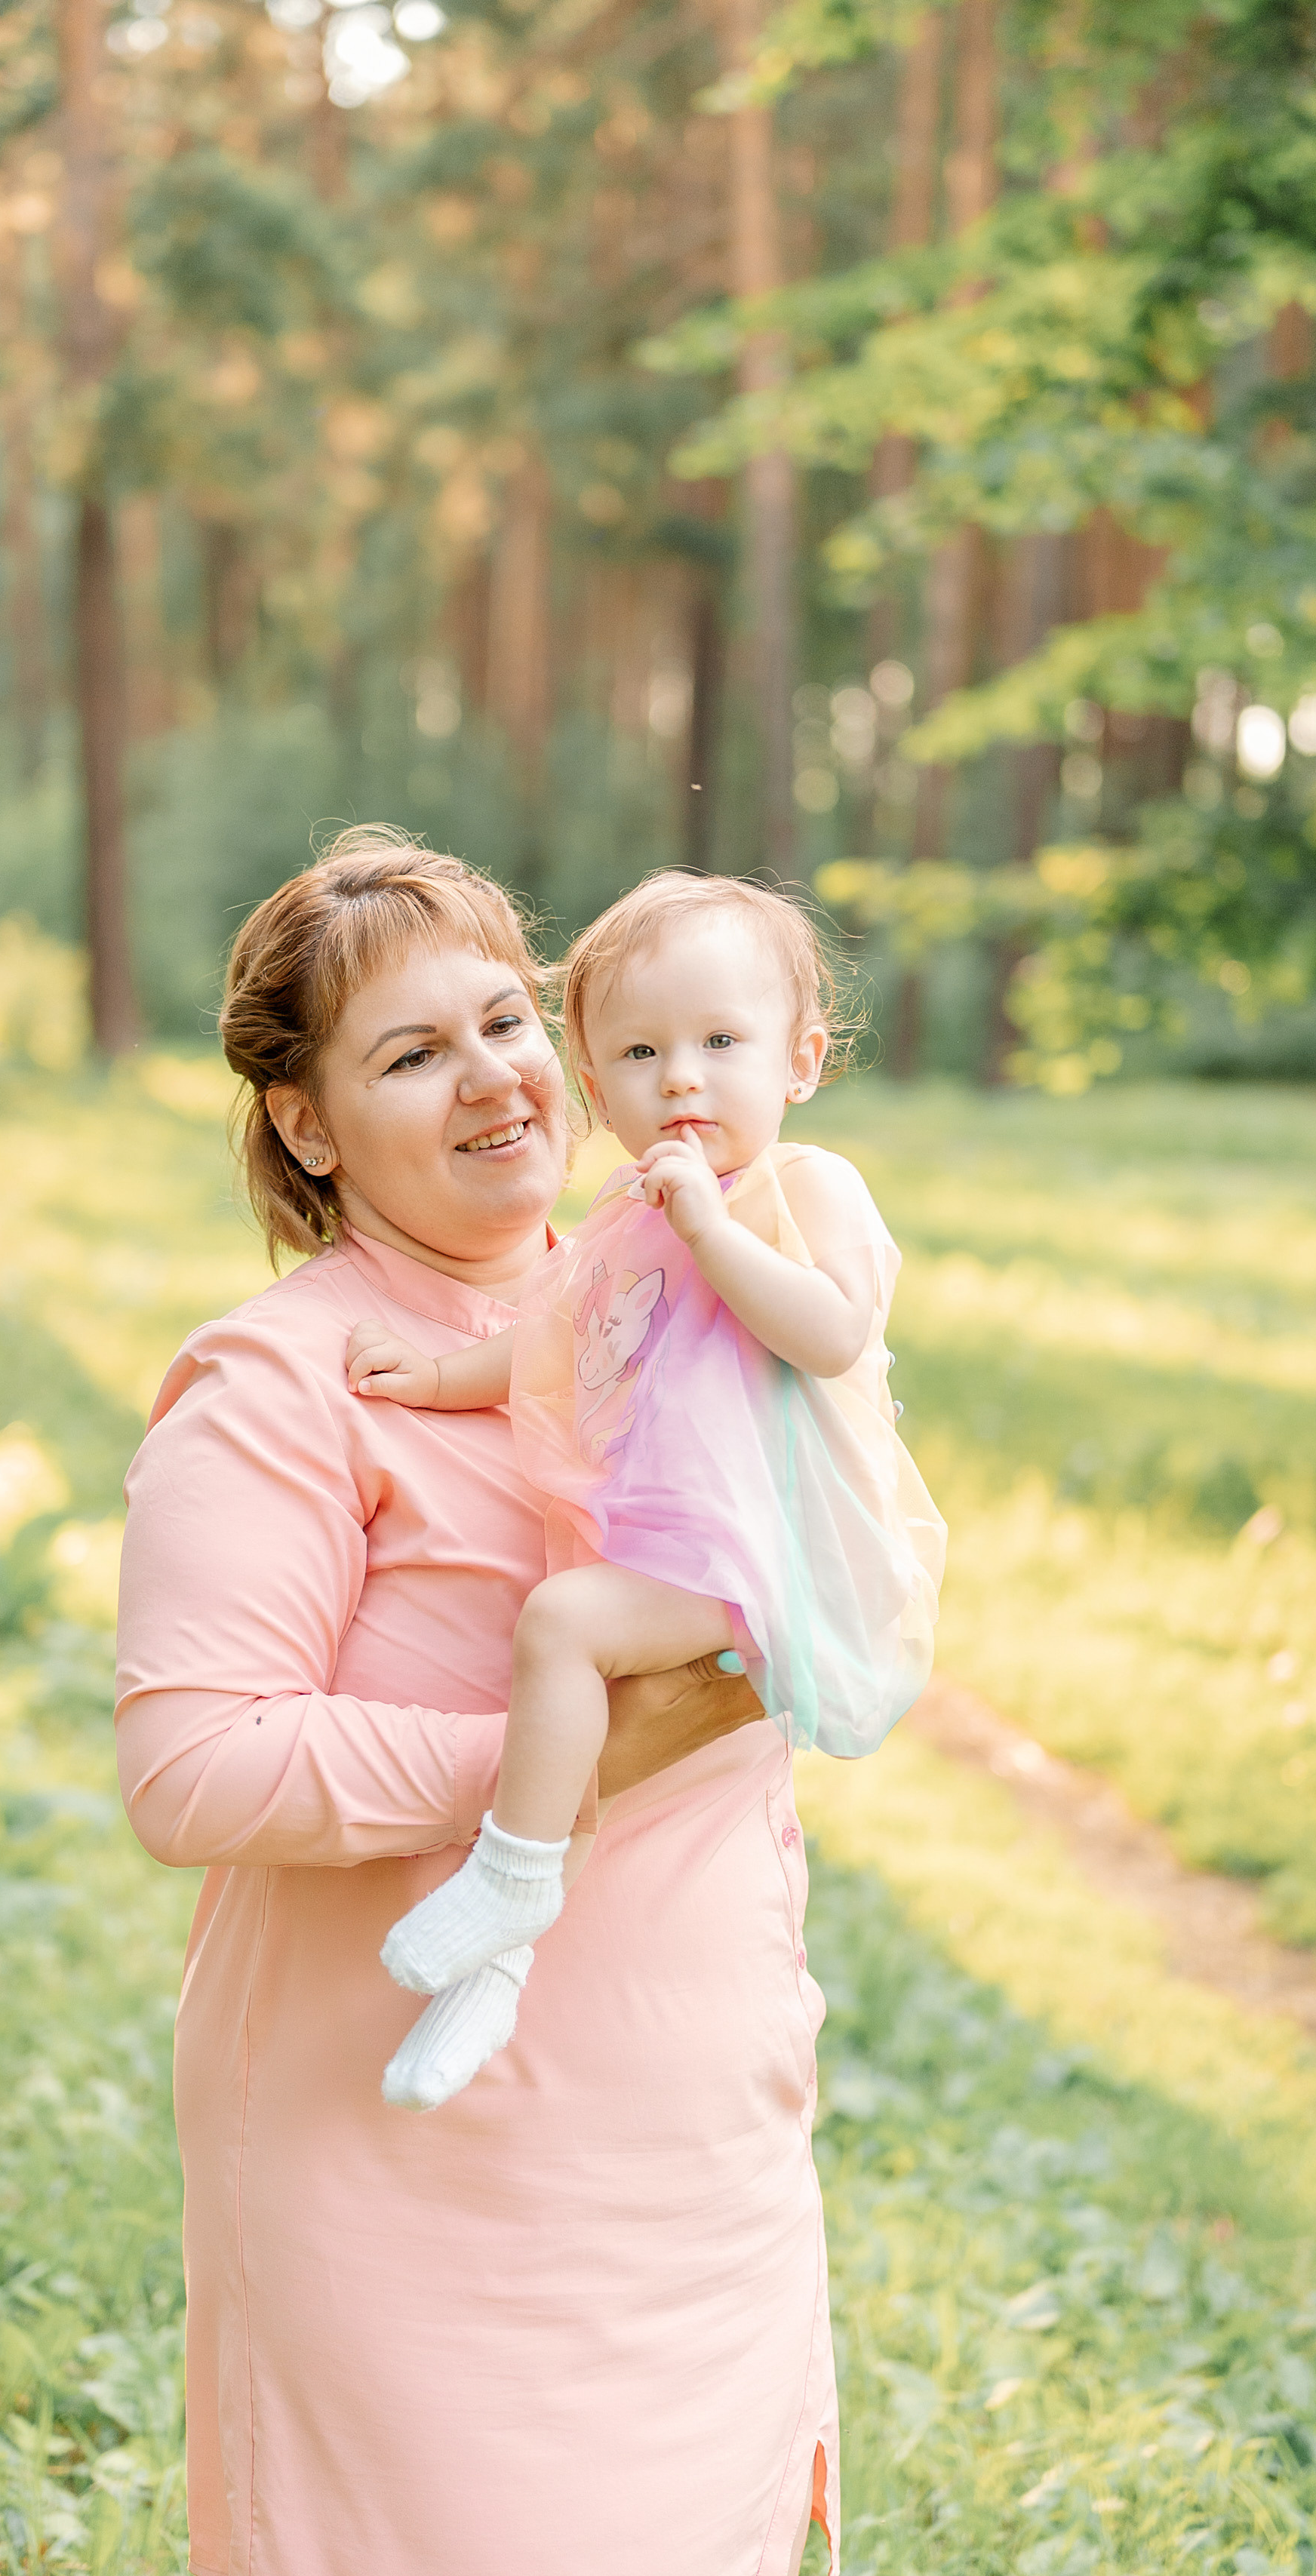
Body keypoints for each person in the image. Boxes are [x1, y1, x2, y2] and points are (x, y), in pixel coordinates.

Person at [114, 832, 838, 2576]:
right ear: (304, 1124)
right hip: (413, 2156)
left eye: (507, 1018)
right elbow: (194, 1767)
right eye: (409, 1053)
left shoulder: (680, 1289)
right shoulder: (280, 1381)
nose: (497, 1077)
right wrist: (575, 1756)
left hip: (691, 2128)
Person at [350, 871, 945, 2111]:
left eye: (720, 1043)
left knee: (560, 1628)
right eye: (637, 1053)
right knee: (572, 1675)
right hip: (672, 1542)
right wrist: (440, 1373)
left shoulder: (801, 1189)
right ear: (594, 1086)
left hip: (767, 1552)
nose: (681, 1080)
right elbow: (561, 1338)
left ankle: (512, 1883)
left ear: (800, 1060)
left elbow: (830, 1333)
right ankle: (500, 1967)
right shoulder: (632, 1210)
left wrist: (713, 1233)